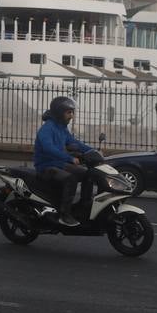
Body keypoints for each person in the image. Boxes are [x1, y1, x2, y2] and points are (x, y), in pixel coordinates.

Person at [33, 95, 98, 228]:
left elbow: (74, 143)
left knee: (88, 174)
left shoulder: (61, 128)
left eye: (72, 112)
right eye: (69, 112)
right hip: (46, 166)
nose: (72, 116)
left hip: (58, 164)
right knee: (70, 179)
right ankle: (64, 214)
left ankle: (84, 204)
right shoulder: (47, 129)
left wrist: (93, 151)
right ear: (59, 112)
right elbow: (48, 148)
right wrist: (69, 158)